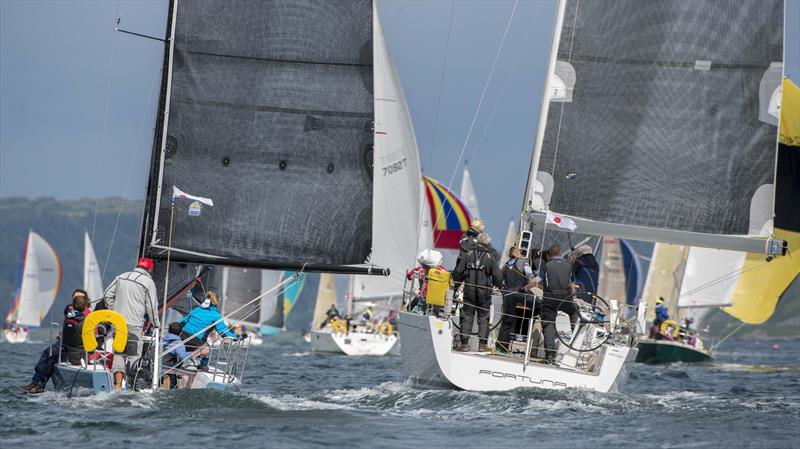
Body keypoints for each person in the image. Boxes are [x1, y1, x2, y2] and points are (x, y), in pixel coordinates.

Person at [103, 257, 160, 391]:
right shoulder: (148, 282)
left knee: (119, 353)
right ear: (150, 269)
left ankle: (117, 386)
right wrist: (156, 324)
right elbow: (152, 307)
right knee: (134, 355)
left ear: (137, 266)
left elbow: (107, 296)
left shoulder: (121, 277)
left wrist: (114, 311)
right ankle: (132, 386)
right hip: (134, 325)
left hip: (118, 324)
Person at [19, 289, 91, 394]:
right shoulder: (70, 309)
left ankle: (37, 384)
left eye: (79, 297)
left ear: (85, 300)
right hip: (64, 342)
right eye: (75, 297)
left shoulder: (88, 314)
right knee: (48, 354)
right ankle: (37, 384)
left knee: (51, 356)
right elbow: (67, 311)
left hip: (76, 346)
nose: (76, 298)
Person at [453, 236, 503, 352]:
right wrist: (498, 285)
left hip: (469, 290)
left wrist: (456, 284)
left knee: (467, 316)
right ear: (488, 245)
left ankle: (464, 345)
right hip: (484, 293)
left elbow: (458, 271)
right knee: (483, 317)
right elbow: (498, 276)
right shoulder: (490, 257)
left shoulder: (468, 254)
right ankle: (482, 345)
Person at [179, 291, 237, 371]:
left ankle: (187, 361)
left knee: (200, 346)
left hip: (182, 335)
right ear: (216, 302)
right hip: (195, 339)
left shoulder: (196, 310)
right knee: (206, 349)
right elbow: (223, 332)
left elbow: (182, 322)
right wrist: (234, 337)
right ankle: (202, 366)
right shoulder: (216, 316)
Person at [541, 244, 577, 363]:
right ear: (560, 254)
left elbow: (538, 280)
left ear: (549, 255)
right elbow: (572, 285)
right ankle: (575, 337)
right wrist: (573, 298)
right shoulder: (568, 265)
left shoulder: (546, 265)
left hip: (550, 298)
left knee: (548, 324)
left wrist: (526, 288)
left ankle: (549, 354)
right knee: (574, 312)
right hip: (565, 297)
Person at [497, 247, 536, 350]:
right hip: (520, 294)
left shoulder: (506, 264)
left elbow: (499, 279)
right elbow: (530, 275)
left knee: (506, 322)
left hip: (508, 295)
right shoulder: (523, 262)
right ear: (519, 253)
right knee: (540, 306)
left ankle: (501, 347)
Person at [161, 322, 192, 389]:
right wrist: (193, 353)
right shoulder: (178, 343)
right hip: (167, 369)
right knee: (187, 375)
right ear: (180, 333)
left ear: (168, 330)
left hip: (156, 366)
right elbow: (182, 357)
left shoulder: (161, 339)